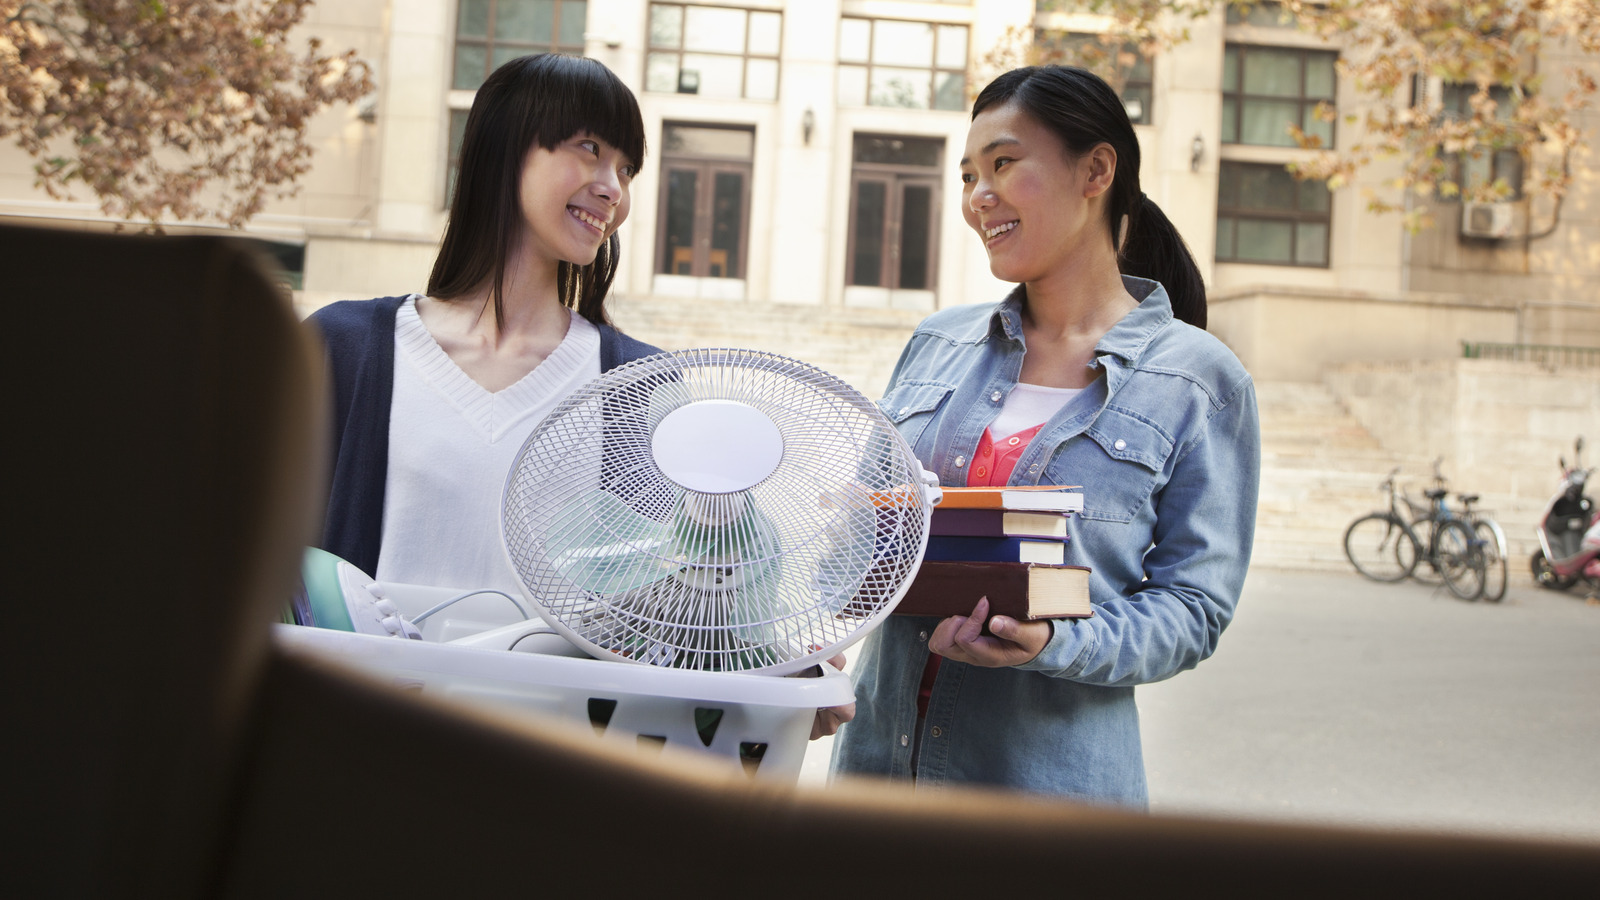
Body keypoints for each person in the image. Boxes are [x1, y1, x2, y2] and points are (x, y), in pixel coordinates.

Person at [831, 65, 1260, 806]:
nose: (978, 197)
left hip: (1048, 802)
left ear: (1096, 170)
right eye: (969, 176)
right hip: (876, 781)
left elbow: (1192, 609)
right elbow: (862, 538)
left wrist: (1058, 640)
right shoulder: (939, 343)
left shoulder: (1199, 380)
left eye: (1003, 164)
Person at [308, 54, 659, 594]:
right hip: (371, 682)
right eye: (590, 149)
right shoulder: (344, 349)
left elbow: (673, 606)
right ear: (505, 149)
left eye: (627, 169)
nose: (614, 188)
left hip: (555, 685)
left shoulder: (639, 384)